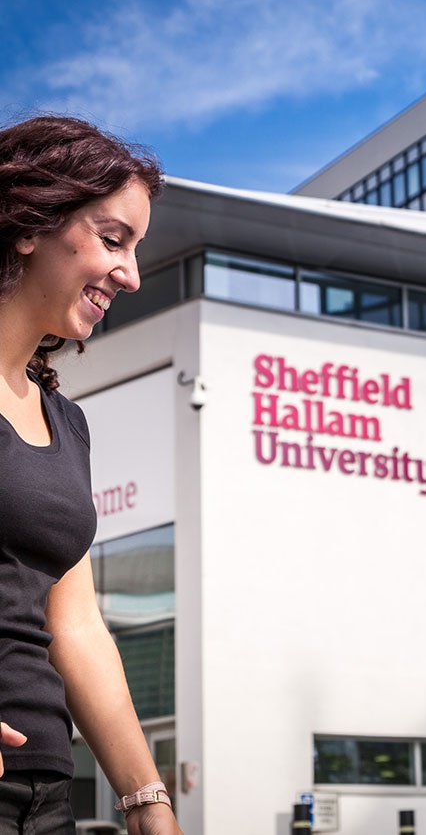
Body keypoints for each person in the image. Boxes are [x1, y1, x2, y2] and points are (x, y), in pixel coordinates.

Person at [0, 115, 182, 835]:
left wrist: (147, 800)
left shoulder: (66, 423)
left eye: (135, 251)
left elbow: (75, 624)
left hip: (45, 794)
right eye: (113, 240)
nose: (131, 275)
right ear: (29, 225)